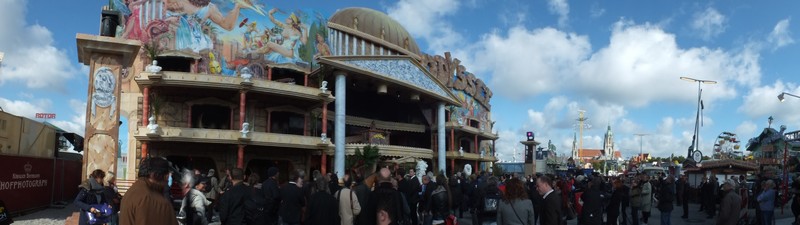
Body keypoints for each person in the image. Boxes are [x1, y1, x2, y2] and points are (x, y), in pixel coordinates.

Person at [120, 157, 179, 225]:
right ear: (155, 175)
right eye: (167, 174)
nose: (168, 178)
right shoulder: (156, 202)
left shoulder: (132, 191)